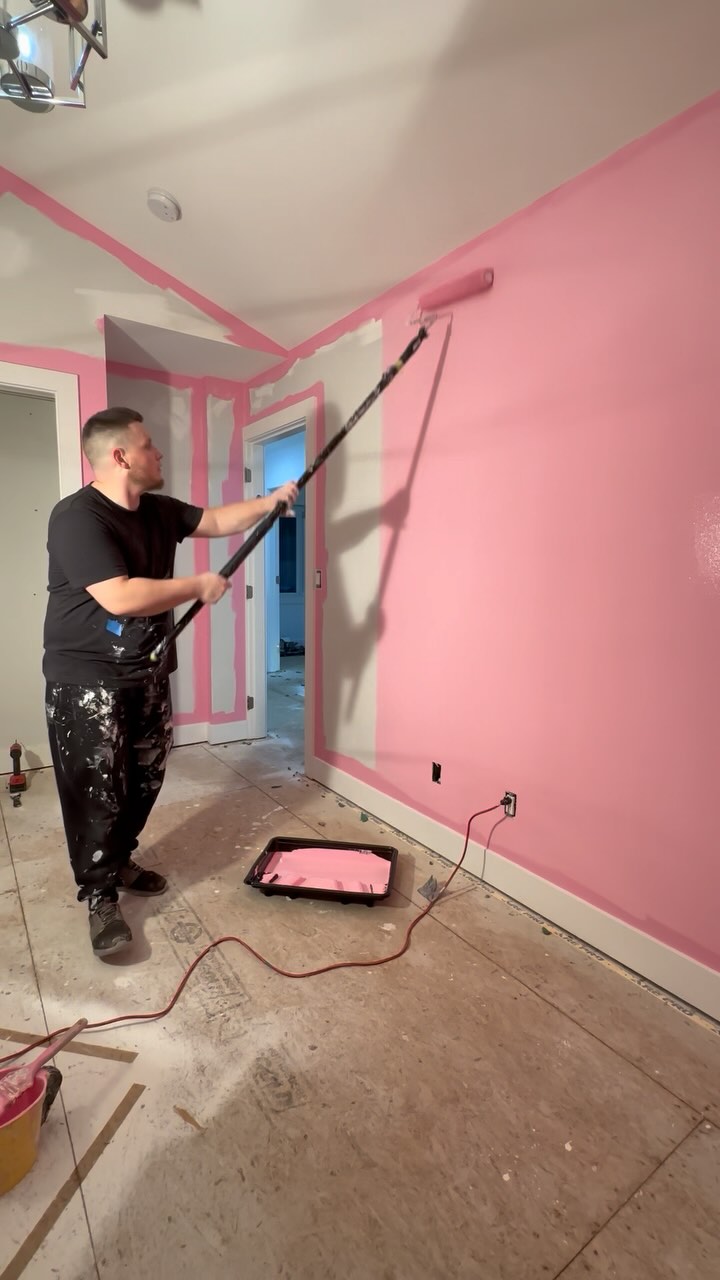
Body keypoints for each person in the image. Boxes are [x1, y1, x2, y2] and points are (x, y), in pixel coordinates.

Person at [43, 406, 297, 958]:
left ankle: (121, 856)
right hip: (87, 679)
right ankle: (100, 895)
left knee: (146, 774)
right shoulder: (76, 517)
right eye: (149, 444)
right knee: (98, 788)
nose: (158, 453)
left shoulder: (158, 511)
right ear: (120, 456)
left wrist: (272, 500)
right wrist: (197, 585)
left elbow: (217, 520)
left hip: (148, 669)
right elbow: (119, 595)